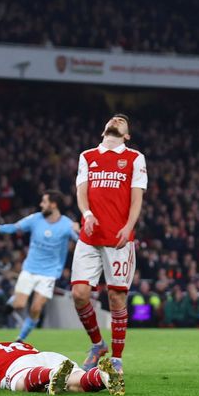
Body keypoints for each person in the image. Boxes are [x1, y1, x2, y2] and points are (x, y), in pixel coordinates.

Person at [71, 113, 147, 377]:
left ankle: (116, 358)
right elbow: (82, 191)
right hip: (89, 237)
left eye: (123, 120)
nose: (117, 120)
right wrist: (87, 214)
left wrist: (129, 226)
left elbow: (137, 198)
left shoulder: (135, 158)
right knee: (79, 295)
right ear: (104, 128)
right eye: (114, 118)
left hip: (118, 239)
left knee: (116, 297)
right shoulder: (87, 156)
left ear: (127, 135)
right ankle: (97, 345)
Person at [0, 191, 78, 342]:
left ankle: (20, 339)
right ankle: (14, 299)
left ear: (53, 204)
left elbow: (80, 240)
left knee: (36, 308)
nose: (41, 205)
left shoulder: (67, 224)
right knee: (19, 304)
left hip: (49, 273)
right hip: (30, 269)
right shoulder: (35, 219)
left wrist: (79, 231)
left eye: (44, 202)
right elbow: (16, 227)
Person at [0, 341, 124, 395]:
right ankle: (101, 376)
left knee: (20, 384)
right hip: (45, 355)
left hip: (18, 366)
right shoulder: (16, 343)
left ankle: (51, 375)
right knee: (78, 384)